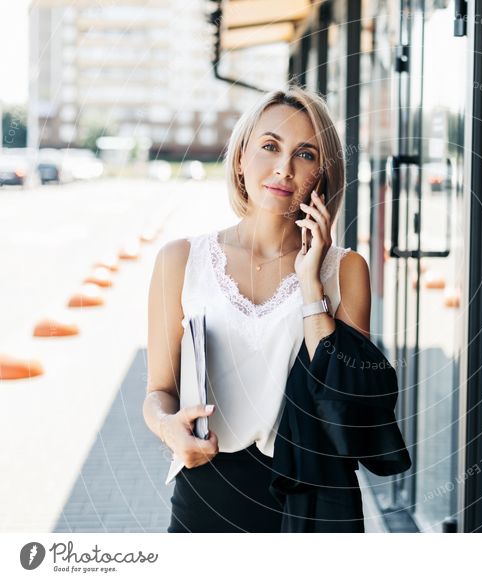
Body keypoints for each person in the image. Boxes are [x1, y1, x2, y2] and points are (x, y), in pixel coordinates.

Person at [141, 85, 374, 532]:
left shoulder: (345, 271)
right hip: (205, 493)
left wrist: (310, 284)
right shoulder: (179, 260)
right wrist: (169, 428)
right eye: (270, 146)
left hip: (314, 501)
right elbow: (158, 391)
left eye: (305, 155)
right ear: (242, 158)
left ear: (322, 176)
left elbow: (344, 401)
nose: (284, 168)